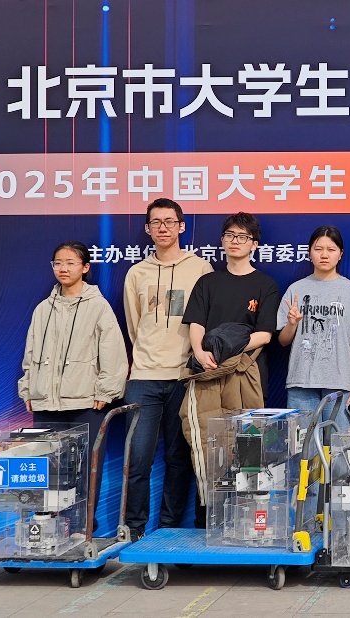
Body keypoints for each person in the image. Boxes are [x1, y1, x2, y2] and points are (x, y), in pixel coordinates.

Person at [19, 241, 128, 530]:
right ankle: (47, 528)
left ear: (85, 267)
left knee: (85, 469)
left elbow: (113, 352)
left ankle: (82, 529)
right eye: (58, 263)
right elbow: (30, 352)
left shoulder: (98, 306)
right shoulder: (43, 308)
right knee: (47, 467)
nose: (63, 268)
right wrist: (28, 388)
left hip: (85, 402)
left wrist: (106, 390)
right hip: (46, 402)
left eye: (70, 262)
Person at [123, 198, 212, 540]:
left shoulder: (200, 269)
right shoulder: (137, 273)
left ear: (181, 226)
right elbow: (135, 325)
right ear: (147, 229)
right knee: (138, 459)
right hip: (144, 377)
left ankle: (169, 531)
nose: (163, 228)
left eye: (169, 221)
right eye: (156, 222)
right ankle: (134, 530)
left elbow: (205, 322)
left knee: (179, 458)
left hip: (184, 377)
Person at [182, 212, 279, 525]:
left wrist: (228, 351)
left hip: (246, 375)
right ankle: (207, 522)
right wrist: (200, 352)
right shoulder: (208, 282)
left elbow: (265, 334)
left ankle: (247, 521)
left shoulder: (265, 285)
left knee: (248, 447)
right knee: (209, 447)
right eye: (230, 235)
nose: (235, 241)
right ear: (222, 240)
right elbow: (196, 323)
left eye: (242, 236)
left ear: (254, 244)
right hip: (208, 374)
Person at [278, 225, 350, 430]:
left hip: (341, 385)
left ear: (340, 254)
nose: (324, 255)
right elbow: (283, 340)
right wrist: (292, 324)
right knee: (305, 447)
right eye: (318, 249)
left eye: (331, 249)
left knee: (340, 445)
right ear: (310, 253)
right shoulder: (296, 289)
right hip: (301, 383)